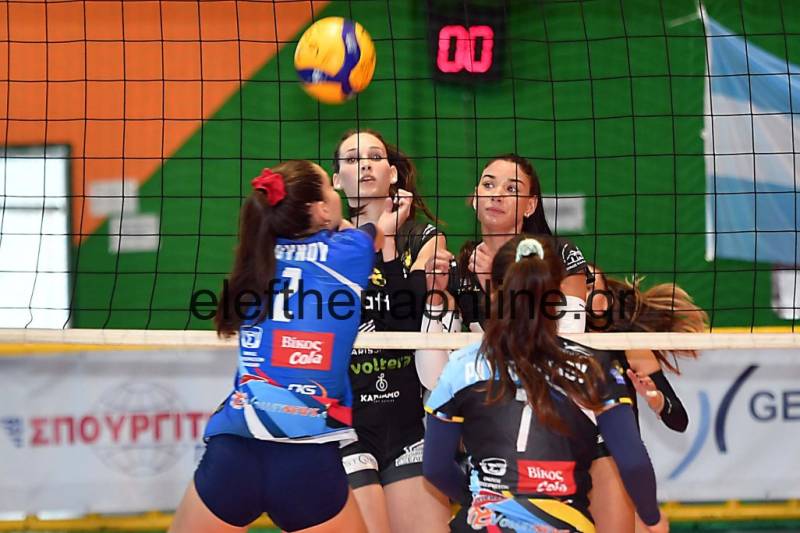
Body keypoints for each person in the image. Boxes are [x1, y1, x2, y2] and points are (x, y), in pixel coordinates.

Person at [170, 160, 389, 533]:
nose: (336, 193)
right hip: (307, 462)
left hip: (235, 452)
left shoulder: (258, 257)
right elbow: (375, 234)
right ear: (320, 210)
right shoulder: (348, 253)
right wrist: (341, 224)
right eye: (329, 187)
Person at [422, 235, 669, 533]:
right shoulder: (593, 367)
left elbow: (435, 467)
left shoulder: (462, 364)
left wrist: (483, 500)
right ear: (558, 297)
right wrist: (652, 518)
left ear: (495, 293)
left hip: (483, 522)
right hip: (561, 522)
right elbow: (633, 462)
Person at [332, 129, 451, 533]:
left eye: (374, 156)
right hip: (343, 425)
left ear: (393, 173)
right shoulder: (327, 243)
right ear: (337, 180)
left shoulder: (425, 238)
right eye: (352, 159)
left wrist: (387, 245)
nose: (365, 165)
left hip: (405, 423)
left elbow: (405, 324)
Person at [585, 265, 706, 532]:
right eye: (574, 285)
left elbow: (679, 419)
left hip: (612, 462)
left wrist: (656, 400)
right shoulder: (547, 347)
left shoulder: (628, 347)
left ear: (606, 300)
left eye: (590, 286)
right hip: (562, 461)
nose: (582, 293)